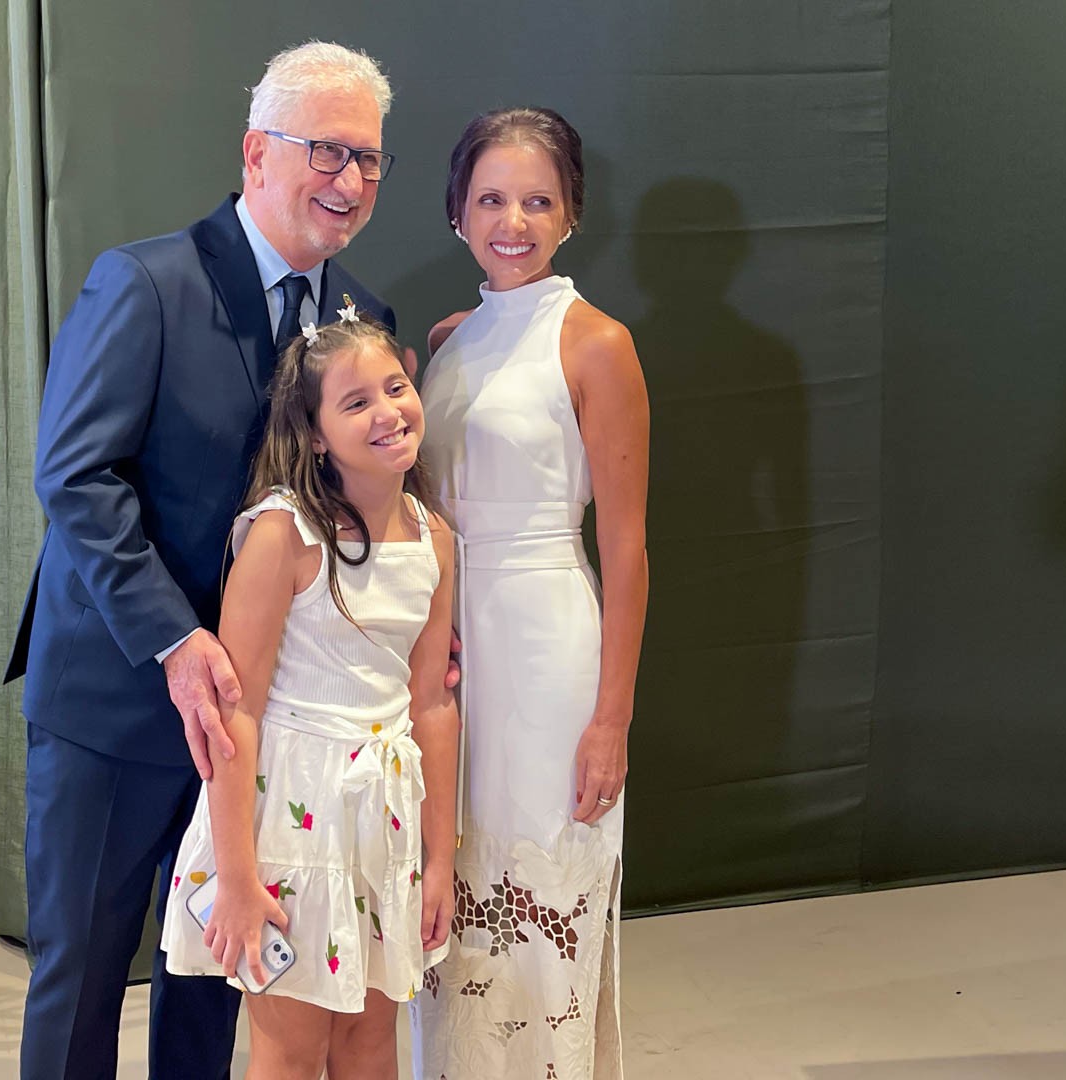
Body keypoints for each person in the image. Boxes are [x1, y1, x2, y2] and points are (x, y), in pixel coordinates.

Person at [3, 42, 399, 1078]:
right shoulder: (144, 283)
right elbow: (75, 476)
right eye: (326, 151)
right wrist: (178, 641)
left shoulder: (366, 323)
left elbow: (359, 514)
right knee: (83, 975)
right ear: (256, 153)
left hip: (261, 722)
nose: (350, 180)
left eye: (368, 158)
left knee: (215, 980)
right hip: (120, 699)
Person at [408, 107, 650, 1079]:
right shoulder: (445, 340)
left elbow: (626, 549)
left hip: (548, 647)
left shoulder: (597, 343)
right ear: (458, 212)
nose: (514, 222)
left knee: (541, 890)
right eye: (492, 200)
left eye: (538, 201)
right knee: (449, 880)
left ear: (572, 213)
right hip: (446, 647)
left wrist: (611, 720)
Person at [162, 311, 459, 1080]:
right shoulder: (282, 535)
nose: (387, 411)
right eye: (356, 402)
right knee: (291, 1052)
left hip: (383, 818)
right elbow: (237, 711)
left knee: (369, 1045)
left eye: (394, 388)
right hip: (290, 821)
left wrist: (438, 858)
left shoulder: (433, 537)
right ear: (316, 435)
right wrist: (237, 876)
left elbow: (431, 703)